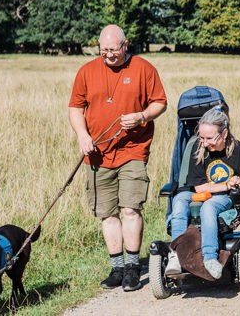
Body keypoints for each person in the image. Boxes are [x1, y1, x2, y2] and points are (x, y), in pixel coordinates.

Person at [68, 24, 167, 291]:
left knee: (130, 209)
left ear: (125, 45)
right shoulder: (86, 71)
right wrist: (82, 136)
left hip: (133, 150)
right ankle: (117, 268)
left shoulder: (143, 69)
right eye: (104, 50)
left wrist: (142, 116)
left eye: (113, 50)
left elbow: (160, 102)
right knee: (107, 213)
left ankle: (133, 268)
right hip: (97, 155)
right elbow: (75, 108)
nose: (109, 55)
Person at [165, 108, 240, 279]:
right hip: (202, 191)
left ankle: (209, 258)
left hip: (225, 198)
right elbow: (199, 188)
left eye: (209, 138)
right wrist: (226, 184)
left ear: (224, 133)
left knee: (208, 207)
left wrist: (239, 183)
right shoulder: (198, 149)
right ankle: (176, 255)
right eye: (201, 137)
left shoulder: (238, 150)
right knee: (179, 201)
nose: (205, 143)